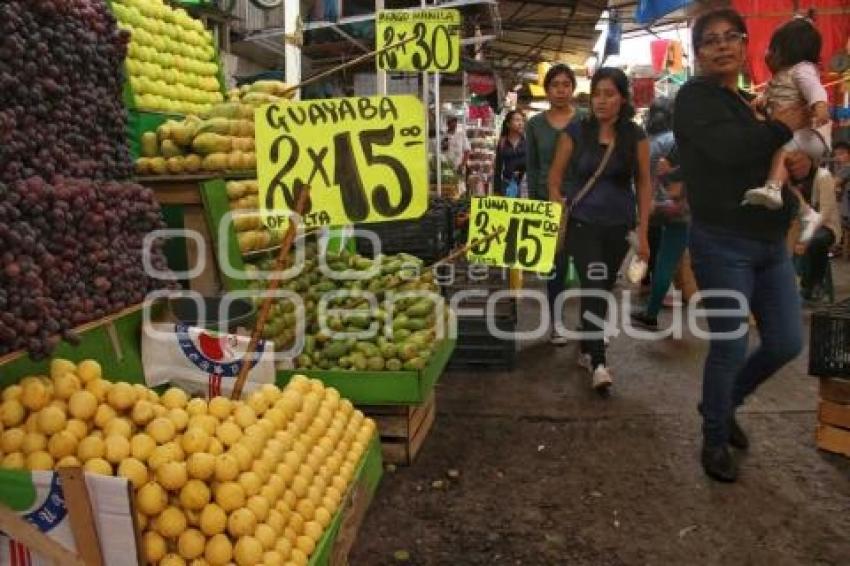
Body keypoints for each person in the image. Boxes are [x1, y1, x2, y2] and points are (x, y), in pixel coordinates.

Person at [674, 8, 806, 482]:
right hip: (722, 244)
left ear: (746, 43)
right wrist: (780, 129)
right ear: (698, 53)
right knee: (729, 346)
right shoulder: (694, 99)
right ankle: (713, 437)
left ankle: (724, 401)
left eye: (732, 36)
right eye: (710, 41)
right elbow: (730, 151)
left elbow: (766, 159)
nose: (722, 46)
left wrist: (797, 168)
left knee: (787, 342)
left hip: (771, 246)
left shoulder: (750, 102)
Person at [548, 67, 652, 393]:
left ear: (622, 98)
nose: (601, 101)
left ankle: (585, 343)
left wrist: (644, 232)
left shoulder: (635, 136)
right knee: (593, 285)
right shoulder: (576, 132)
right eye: (597, 94)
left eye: (609, 94)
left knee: (602, 289)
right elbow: (555, 177)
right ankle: (599, 361)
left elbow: (645, 184)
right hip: (582, 223)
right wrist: (559, 204)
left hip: (619, 226)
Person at [743, 13, 831, 244]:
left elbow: (816, 90)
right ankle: (807, 214)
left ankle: (772, 188)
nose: (767, 54)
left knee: (782, 152)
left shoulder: (802, 69)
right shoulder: (783, 76)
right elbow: (775, 95)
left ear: (787, 50)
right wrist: (760, 102)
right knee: (784, 176)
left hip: (808, 135)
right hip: (798, 135)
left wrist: (820, 107)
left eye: (773, 48)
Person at [524, 63, 583, 345]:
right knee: (555, 267)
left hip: (583, 202)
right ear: (546, 90)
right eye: (555, 85)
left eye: (566, 84)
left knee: (588, 264)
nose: (561, 90)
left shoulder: (584, 120)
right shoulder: (534, 125)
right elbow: (533, 167)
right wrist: (538, 203)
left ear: (573, 88)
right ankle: (557, 323)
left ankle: (590, 324)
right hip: (548, 205)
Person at [631, 146, 690, 330]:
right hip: (707, 217)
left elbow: (664, 171)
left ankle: (651, 313)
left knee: (665, 263)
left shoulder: (684, 146)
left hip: (681, 215)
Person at [790, 161, 841, 302]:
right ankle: (791, 285)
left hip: (826, 226)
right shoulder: (791, 177)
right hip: (799, 225)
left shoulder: (823, 176)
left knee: (814, 241)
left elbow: (825, 213)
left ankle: (811, 285)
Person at [493, 110, 527, 197]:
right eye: (517, 120)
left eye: (522, 120)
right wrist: (496, 190)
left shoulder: (528, 140)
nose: (520, 123)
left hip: (524, 185)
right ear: (508, 124)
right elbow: (498, 167)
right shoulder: (502, 142)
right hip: (506, 184)